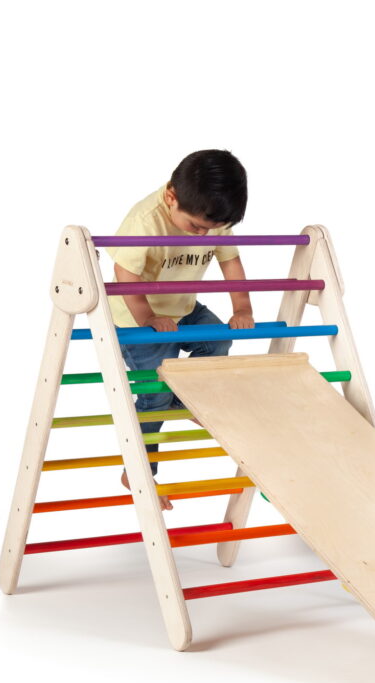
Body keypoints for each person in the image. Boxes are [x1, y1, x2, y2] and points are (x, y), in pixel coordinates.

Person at [106, 149, 253, 510]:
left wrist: (242, 308)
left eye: (211, 229)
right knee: (154, 397)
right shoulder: (145, 221)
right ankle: (139, 472)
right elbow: (124, 274)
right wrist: (147, 319)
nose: (204, 234)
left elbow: (231, 261)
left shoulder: (211, 214)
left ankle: (182, 398)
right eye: (196, 227)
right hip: (136, 316)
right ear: (171, 197)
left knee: (217, 340)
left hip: (183, 308)